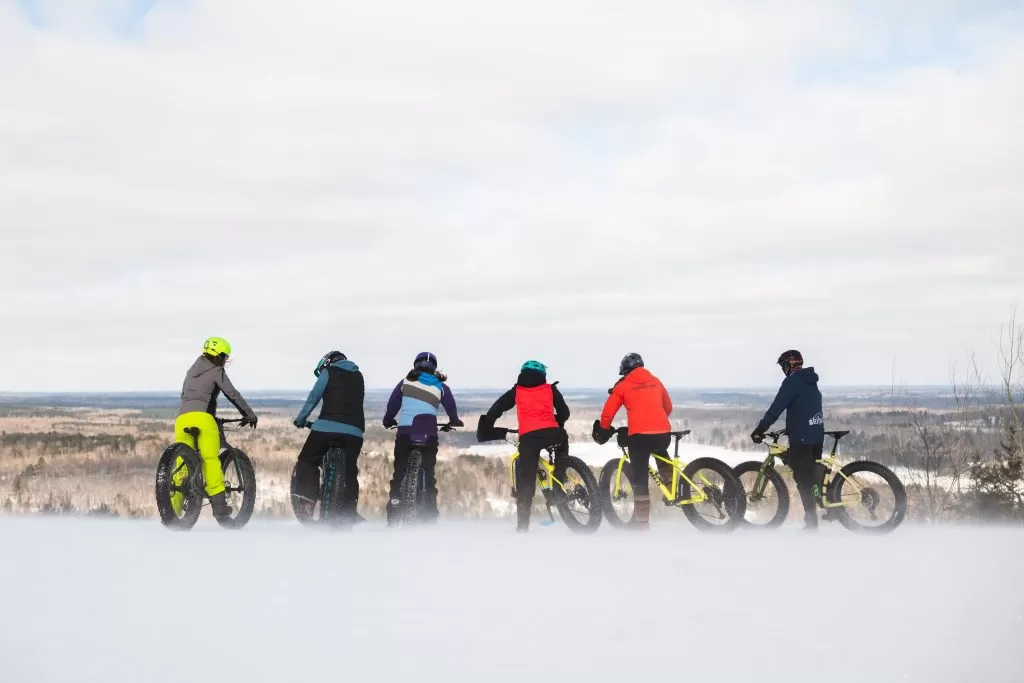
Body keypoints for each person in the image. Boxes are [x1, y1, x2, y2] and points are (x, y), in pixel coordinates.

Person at [480, 360, 571, 532]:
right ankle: (561, 474)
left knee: (526, 479)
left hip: (529, 438)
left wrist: (488, 425)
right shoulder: (550, 389)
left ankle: (522, 525)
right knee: (562, 442)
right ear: (543, 374)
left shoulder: (517, 391)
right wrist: (556, 423)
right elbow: (565, 412)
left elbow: (496, 408)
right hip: (553, 433)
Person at [176, 336, 258, 519]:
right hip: (203, 420)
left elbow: (185, 395)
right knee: (210, 459)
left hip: (182, 419)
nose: (225, 360)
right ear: (218, 355)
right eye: (225, 356)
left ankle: (172, 511)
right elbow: (232, 394)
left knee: (182, 464)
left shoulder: (191, 371)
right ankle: (220, 510)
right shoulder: (216, 370)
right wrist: (249, 413)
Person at [593, 353, 672, 530]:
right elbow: (668, 407)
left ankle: (641, 524)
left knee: (640, 478)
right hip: (663, 433)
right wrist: (655, 423)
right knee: (662, 454)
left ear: (625, 370)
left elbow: (608, 413)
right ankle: (674, 488)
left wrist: (604, 429)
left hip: (639, 438)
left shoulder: (623, 386)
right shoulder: (656, 381)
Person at [382, 352, 463, 525]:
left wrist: (388, 420)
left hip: (405, 432)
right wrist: (454, 421)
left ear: (415, 365)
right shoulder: (441, 386)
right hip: (428, 434)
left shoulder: (404, 382)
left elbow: (392, 406)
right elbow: (452, 409)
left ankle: (394, 508)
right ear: (434, 368)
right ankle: (430, 516)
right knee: (429, 474)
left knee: (400, 472)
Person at [750, 349, 825, 530]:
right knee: (812, 476)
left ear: (788, 365)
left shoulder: (792, 382)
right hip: (816, 434)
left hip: (802, 438)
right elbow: (804, 407)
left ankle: (811, 523)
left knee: (803, 479)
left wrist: (760, 429)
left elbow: (776, 408)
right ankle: (830, 509)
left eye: (783, 366)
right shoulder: (810, 380)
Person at [291, 351, 366, 523]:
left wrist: (301, 419)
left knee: (307, 460)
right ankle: (348, 512)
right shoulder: (359, 376)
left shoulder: (328, 372)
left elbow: (313, 398)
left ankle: (307, 502)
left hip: (326, 428)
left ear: (328, 362)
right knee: (350, 472)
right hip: (354, 433)